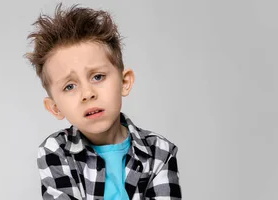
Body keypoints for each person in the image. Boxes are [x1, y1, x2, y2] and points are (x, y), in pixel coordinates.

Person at [25, 3, 181, 200]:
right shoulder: (55, 151)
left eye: (97, 77)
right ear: (55, 108)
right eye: (69, 86)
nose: (87, 93)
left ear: (124, 82)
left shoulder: (160, 152)